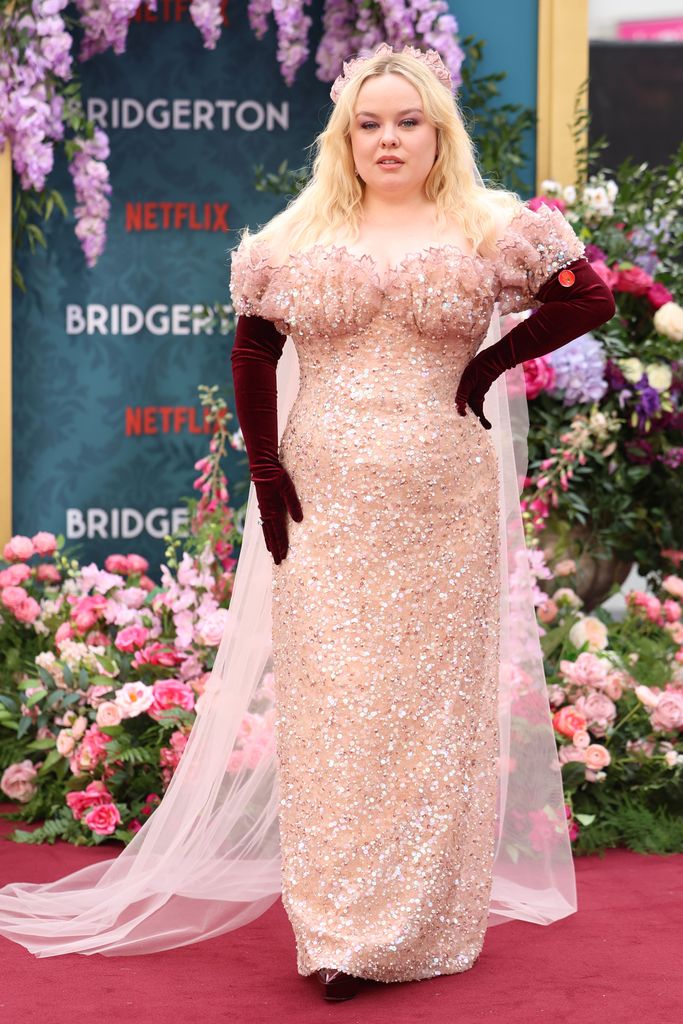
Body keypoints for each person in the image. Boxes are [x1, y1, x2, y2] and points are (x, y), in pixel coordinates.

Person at [0, 42, 615, 1006]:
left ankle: (420, 924)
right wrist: (264, 463)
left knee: (430, 703)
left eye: (406, 120)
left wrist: (489, 366)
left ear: (437, 130)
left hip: (443, 501)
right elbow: (252, 349)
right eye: (368, 122)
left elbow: (591, 298)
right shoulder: (301, 230)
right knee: (334, 704)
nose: (387, 138)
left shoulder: (491, 224)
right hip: (322, 498)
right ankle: (336, 932)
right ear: (344, 134)